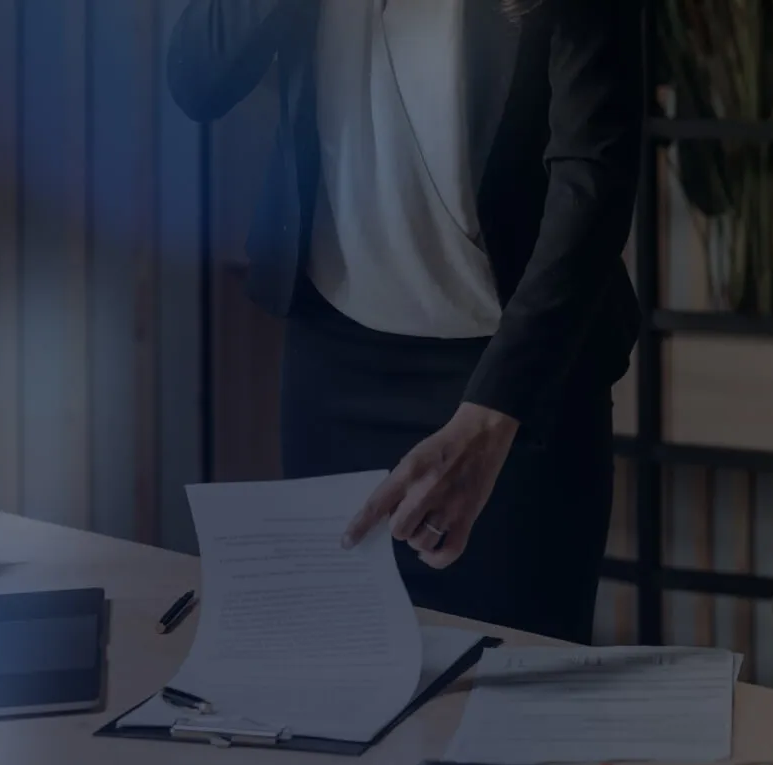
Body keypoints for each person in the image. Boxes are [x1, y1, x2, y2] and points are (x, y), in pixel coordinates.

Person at [166, 0, 642, 644]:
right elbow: (196, 81)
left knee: (522, 679)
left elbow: (594, 181)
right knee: (335, 669)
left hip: (516, 379)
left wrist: (493, 415)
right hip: (334, 362)